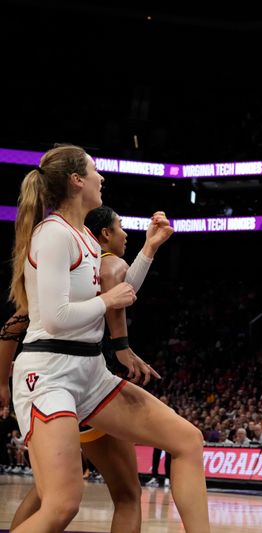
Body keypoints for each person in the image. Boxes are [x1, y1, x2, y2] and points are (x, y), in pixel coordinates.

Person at [9, 145, 209, 532]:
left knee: (188, 440)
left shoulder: (82, 235)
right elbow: (54, 319)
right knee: (61, 504)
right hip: (49, 374)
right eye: (95, 171)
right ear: (76, 180)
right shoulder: (52, 235)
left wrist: (149, 248)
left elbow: (122, 290)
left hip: (89, 372)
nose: (102, 178)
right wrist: (106, 301)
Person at [3, 204, 173, 531]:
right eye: (121, 227)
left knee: (49, 496)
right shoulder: (96, 265)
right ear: (104, 235)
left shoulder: (86, 269)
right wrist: (122, 346)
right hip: (77, 385)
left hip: (77, 382)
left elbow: (10, 328)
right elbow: (120, 289)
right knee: (110, 496)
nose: (126, 234)